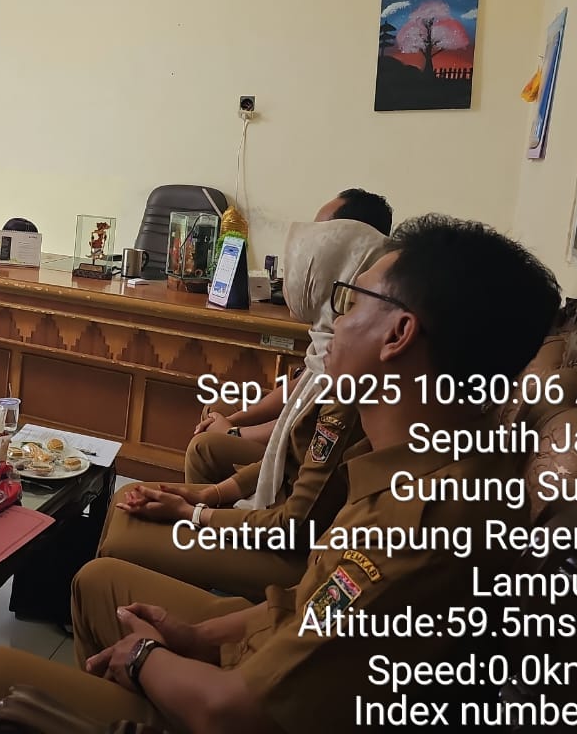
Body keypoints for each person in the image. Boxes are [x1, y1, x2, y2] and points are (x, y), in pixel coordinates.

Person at [0, 215, 562, 733]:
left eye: (352, 303)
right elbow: (304, 603)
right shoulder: (428, 460)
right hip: (272, 662)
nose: (337, 321)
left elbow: (237, 709)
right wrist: (196, 636)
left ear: (398, 334)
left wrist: (145, 658)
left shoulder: (420, 523)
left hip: (246, 707)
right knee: (101, 579)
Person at [98, 218, 387, 597]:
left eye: (352, 305)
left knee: (104, 568)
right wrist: (208, 496)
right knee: (126, 502)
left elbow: (293, 525)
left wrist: (194, 513)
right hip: (277, 523)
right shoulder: (332, 362)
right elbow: (288, 458)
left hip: (291, 556)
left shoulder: (346, 394)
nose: (340, 320)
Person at [192, 186, 394, 443]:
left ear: (346, 242)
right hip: (296, 431)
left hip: (304, 449)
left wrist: (232, 431)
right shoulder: (328, 318)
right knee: (217, 410)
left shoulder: (359, 335)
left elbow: (307, 423)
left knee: (206, 444)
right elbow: (304, 385)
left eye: (319, 234)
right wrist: (235, 419)